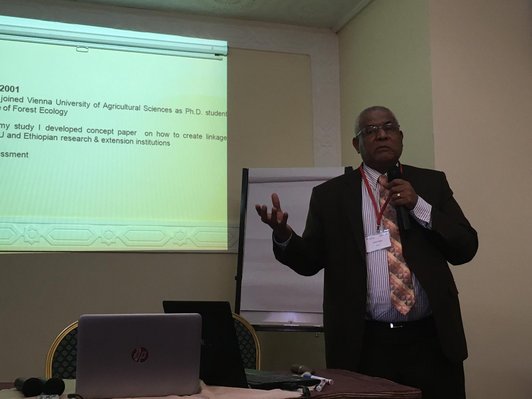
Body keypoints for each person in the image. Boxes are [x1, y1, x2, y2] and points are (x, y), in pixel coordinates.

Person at [255, 105, 478, 399]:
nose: (381, 135)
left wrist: (418, 205)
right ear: (356, 144)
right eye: (370, 131)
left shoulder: (431, 184)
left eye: (388, 128)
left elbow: (465, 247)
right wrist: (284, 236)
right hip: (365, 345)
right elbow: (310, 261)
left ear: (400, 136)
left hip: (432, 341)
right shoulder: (330, 196)